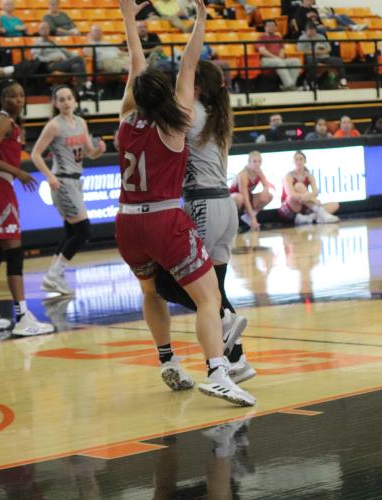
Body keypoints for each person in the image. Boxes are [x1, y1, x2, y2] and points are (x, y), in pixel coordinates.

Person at [115, 0, 255, 406]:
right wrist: (201, 20)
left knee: (151, 293)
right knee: (209, 301)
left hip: (126, 223)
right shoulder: (175, 120)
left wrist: (128, 20)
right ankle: (218, 371)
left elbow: (135, 70)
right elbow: (190, 64)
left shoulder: (125, 120)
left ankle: (167, 358)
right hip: (164, 218)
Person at [154, 62, 257, 386]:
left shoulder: (191, 110)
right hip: (225, 206)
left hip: (202, 204)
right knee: (216, 288)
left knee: (166, 284)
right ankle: (238, 360)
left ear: (195, 85)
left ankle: (226, 320)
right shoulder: (219, 114)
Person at [0, 79, 55, 336]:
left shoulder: (6, 121)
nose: (18, 100)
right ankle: (21, 317)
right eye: (11, 96)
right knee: (14, 252)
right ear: (1, 98)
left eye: (21, 95)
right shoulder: (4, 119)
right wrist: (18, 172)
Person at [31, 85, 106, 295]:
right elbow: (35, 154)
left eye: (69, 98)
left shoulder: (81, 123)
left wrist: (99, 150)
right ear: (56, 103)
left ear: (75, 101)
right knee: (84, 231)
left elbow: (89, 153)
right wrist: (50, 176)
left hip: (76, 181)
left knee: (71, 232)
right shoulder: (54, 126)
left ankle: (54, 276)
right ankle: (54, 274)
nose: (65, 102)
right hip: (62, 182)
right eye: (61, 99)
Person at [278, 150, 339, 225]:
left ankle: (310, 217)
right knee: (298, 186)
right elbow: (291, 194)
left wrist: (310, 198)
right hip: (290, 208)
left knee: (335, 205)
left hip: (305, 206)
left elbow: (316, 192)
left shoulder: (309, 175)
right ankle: (320, 213)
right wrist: (312, 199)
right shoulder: (288, 176)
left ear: (305, 161)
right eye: (296, 159)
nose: (299, 162)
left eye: (301, 159)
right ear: (293, 162)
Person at [230, 151, 274, 231]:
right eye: (254, 161)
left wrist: (265, 190)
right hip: (232, 200)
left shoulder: (259, 171)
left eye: (259, 161)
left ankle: (247, 217)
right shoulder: (243, 175)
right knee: (240, 198)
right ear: (249, 162)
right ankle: (231, 222)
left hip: (246, 198)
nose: (257, 164)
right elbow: (245, 199)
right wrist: (253, 219)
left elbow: (266, 185)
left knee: (269, 196)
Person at [297, 22, 347, 89]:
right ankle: (310, 82)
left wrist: (323, 52)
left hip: (324, 56)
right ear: (306, 30)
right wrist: (314, 52)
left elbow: (329, 48)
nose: (311, 32)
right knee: (312, 62)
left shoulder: (321, 36)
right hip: (311, 56)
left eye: (313, 30)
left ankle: (343, 80)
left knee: (338, 60)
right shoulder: (302, 38)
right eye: (310, 30)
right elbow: (301, 51)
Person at [256, 19, 301, 91]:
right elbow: (262, 51)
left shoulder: (278, 37)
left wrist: (280, 57)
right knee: (279, 62)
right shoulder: (261, 37)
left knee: (296, 61)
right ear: (265, 27)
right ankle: (289, 85)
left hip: (278, 60)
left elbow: (282, 50)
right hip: (265, 60)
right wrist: (276, 58)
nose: (271, 27)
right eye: (269, 25)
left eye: (273, 25)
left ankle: (290, 86)